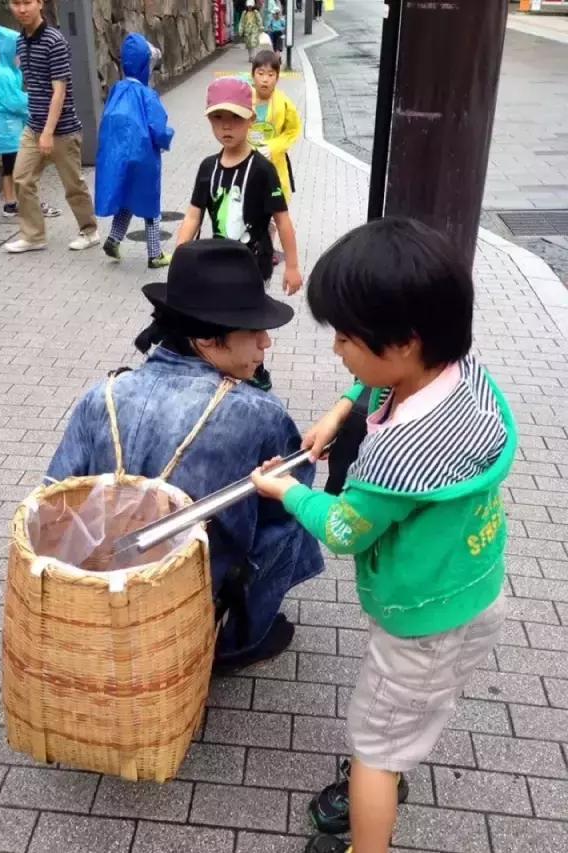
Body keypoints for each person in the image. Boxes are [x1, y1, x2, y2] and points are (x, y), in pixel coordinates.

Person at [251, 218, 517, 853]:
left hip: (419, 622)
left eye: (345, 338)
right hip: (474, 587)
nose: (337, 349)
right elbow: (384, 372)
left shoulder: (397, 456)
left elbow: (344, 529)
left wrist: (289, 492)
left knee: (375, 748)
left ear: (402, 343)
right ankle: (402, 751)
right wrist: (344, 407)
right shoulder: (462, 370)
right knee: (419, 712)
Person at [47, 238, 324, 667]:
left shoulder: (101, 394)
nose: (266, 343)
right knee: (292, 514)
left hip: (101, 584)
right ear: (207, 340)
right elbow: (284, 513)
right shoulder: (258, 412)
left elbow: (56, 498)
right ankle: (236, 639)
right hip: (190, 595)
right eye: (254, 330)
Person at [176, 77, 302, 295]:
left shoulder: (263, 170)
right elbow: (193, 216)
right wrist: (179, 258)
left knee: (248, 327)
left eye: (236, 117)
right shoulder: (208, 168)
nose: (226, 125)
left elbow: (282, 220)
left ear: (251, 119)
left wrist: (292, 267)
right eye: (218, 117)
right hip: (217, 263)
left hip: (252, 268)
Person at [5, 0, 99, 254]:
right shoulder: (21, 40)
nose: (22, 9)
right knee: (22, 179)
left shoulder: (54, 41)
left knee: (73, 185)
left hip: (63, 130)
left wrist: (47, 132)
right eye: (16, 3)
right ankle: (34, 236)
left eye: (27, 2)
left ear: (40, 3)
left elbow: (60, 91)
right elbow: (31, 83)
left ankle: (89, 231)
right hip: (33, 125)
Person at [96, 34, 173, 268]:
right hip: (144, 157)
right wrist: (166, 137)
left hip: (119, 155)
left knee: (127, 199)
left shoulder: (117, 90)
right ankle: (155, 254)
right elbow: (157, 127)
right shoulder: (147, 95)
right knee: (150, 202)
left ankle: (113, 238)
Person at [0, 25, 60, 221]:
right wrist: (40, 102)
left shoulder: (5, 71)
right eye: (18, 52)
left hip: (3, 125)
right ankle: (28, 203)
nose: (21, 57)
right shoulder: (4, 74)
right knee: (23, 165)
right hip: (5, 126)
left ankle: (11, 204)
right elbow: (15, 102)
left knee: (10, 165)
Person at [249, 49, 302, 204]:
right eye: (260, 73)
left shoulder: (284, 103)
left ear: (277, 78)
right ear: (253, 75)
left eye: (271, 74)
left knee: (274, 209)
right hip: (247, 162)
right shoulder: (243, 99)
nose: (265, 79)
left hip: (274, 164)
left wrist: (273, 147)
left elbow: (292, 130)